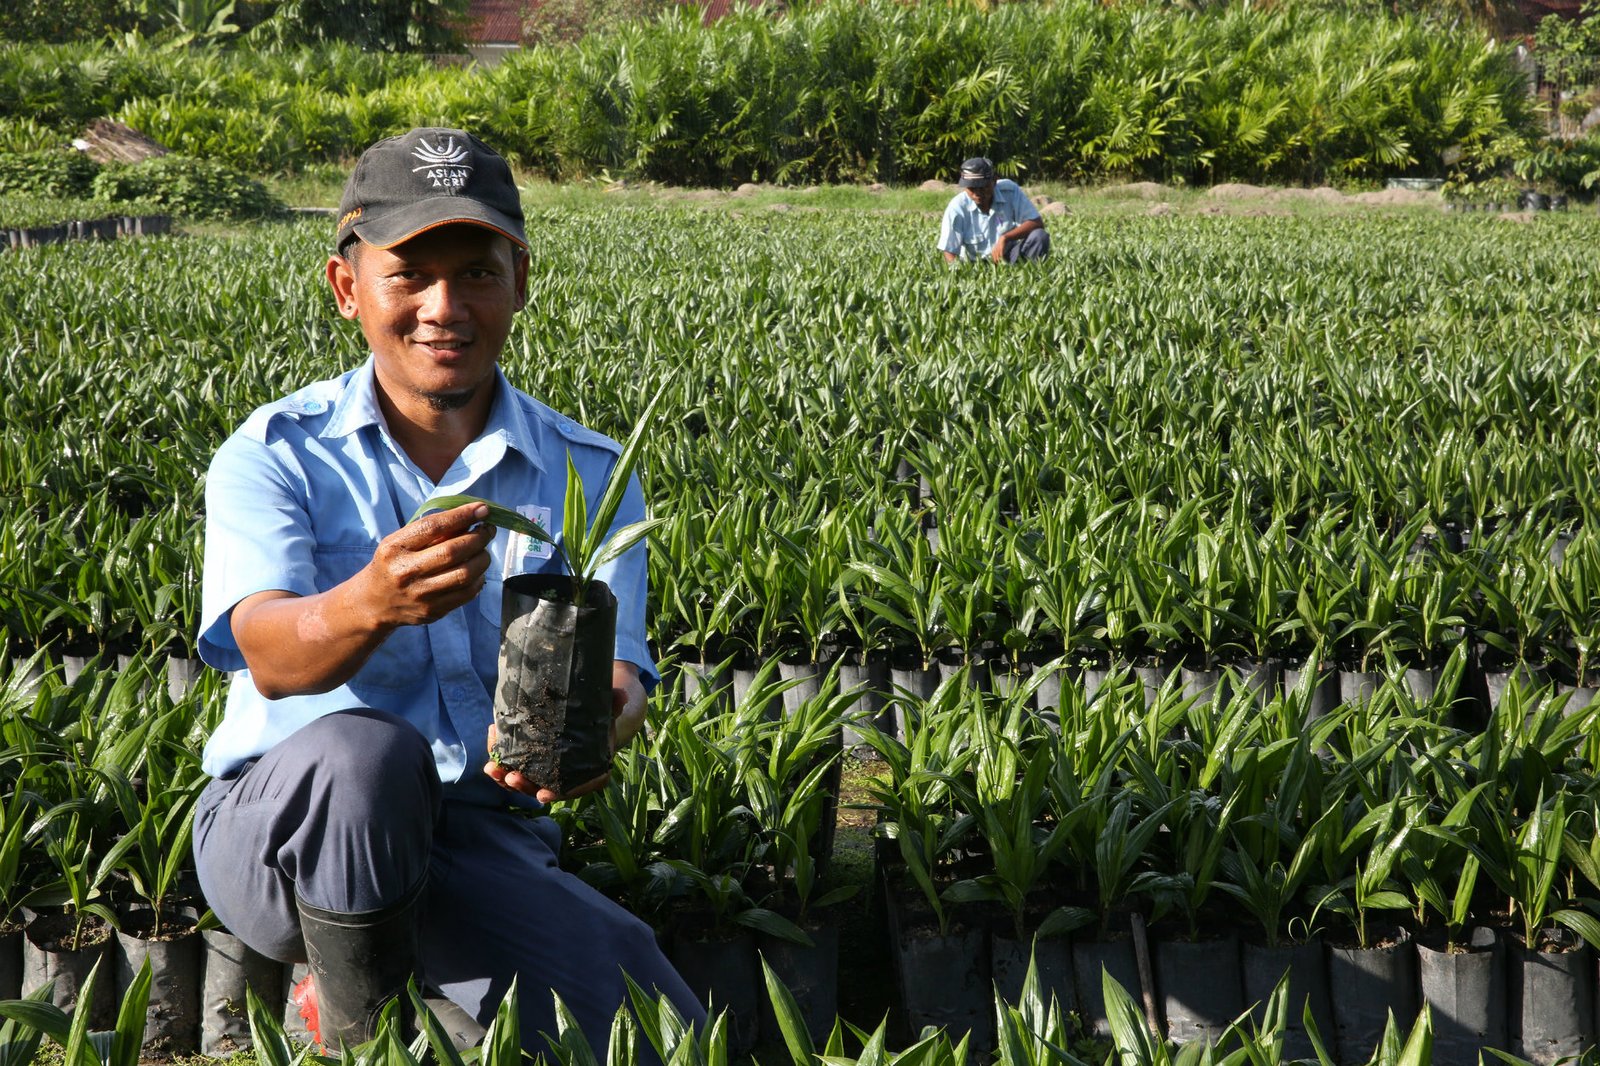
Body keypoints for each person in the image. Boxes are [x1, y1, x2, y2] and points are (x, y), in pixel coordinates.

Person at [191, 126, 705, 1061]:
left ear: (519, 279)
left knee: (660, 1027)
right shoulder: (278, 453)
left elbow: (623, 672)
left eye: (476, 273)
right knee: (363, 757)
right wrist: (370, 602)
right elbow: (265, 653)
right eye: (409, 276)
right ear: (349, 289)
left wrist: (595, 730)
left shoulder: (584, 470)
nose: (444, 307)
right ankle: (358, 1032)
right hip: (282, 833)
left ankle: (410, 988)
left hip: (472, 833)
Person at [936, 156, 1051, 264]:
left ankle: (1024, 273)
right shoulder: (957, 207)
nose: (977, 193)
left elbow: (1037, 223)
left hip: (1009, 257)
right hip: (976, 264)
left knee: (1039, 236)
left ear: (994, 181)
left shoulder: (1010, 191)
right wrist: (958, 274)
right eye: (971, 188)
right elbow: (949, 250)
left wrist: (1005, 237)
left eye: (983, 187)